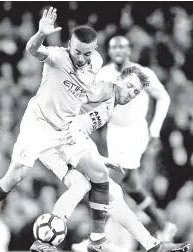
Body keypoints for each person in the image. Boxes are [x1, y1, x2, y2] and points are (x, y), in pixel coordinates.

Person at [0, 8, 142, 252]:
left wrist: (114, 98)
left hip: (65, 130)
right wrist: (40, 34)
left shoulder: (96, 63)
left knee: (99, 176)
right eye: (76, 51)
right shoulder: (57, 57)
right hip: (38, 125)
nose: (81, 58)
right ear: (69, 45)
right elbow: (33, 50)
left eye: (86, 53)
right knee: (16, 176)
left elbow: (89, 92)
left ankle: (97, 241)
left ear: (95, 51)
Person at [30, 71, 190, 252]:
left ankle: (152, 245)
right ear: (118, 80)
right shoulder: (104, 89)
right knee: (100, 186)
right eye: (129, 86)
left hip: (60, 143)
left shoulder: (111, 107)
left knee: (106, 191)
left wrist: (100, 159)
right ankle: (90, 241)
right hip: (57, 137)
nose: (131, 93)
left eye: (135, 91)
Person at [71, 35, 175, 252]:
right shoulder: (105, 72)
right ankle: (164, 225)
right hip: (114, 133)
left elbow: (163, 98)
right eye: (113, 47)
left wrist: (155, 131)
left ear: (129, 50)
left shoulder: (142, 73)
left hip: (135, 133)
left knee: (105, 182)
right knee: (132, 186)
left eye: (123, 47)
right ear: (109, 51)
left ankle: (97, 239)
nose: (118, 51)